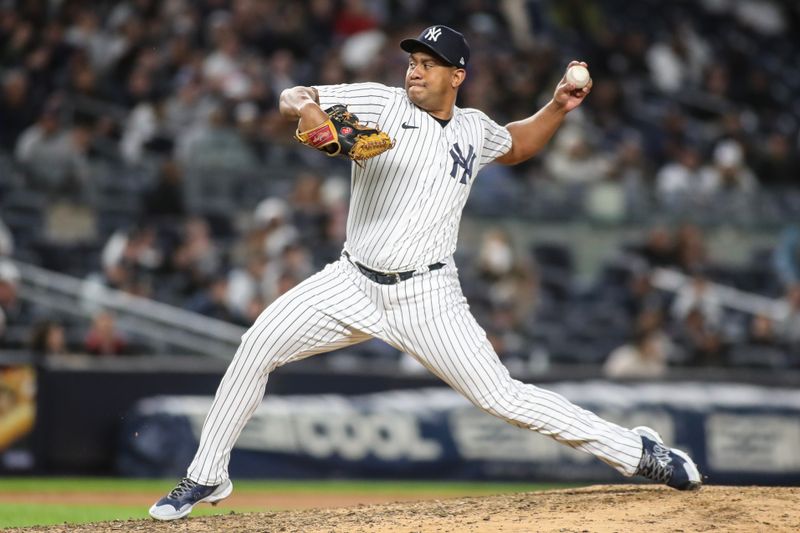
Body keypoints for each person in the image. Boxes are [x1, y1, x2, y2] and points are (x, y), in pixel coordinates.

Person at [149, 25, 701, 521]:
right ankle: (206, 474)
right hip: (351, 282)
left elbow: (515, 145)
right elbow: (295, 96)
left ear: (457, 76)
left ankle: (638, 452)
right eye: (413, 59)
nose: (415, 67)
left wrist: (557, 105)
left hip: (427, 295)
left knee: (502, 398)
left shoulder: (471, 129)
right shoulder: (380, 103)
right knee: (256, 346)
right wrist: (309, 113)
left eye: (429, 62)